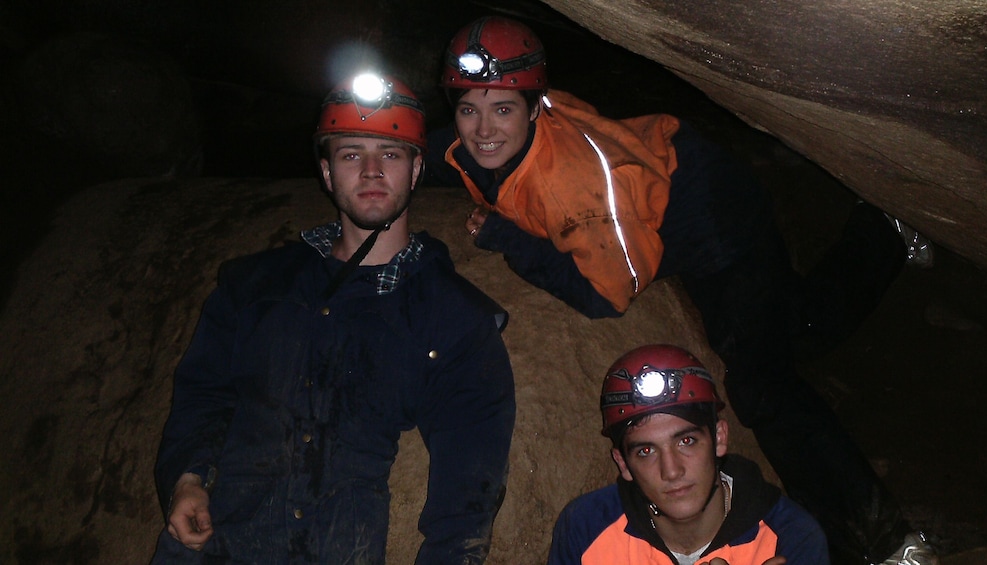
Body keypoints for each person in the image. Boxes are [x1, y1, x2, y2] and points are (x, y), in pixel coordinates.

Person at [427, 15, 938, 565]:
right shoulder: (485, 140)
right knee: (798, 326)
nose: (482, 130)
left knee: (762, 377)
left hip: (712, 218)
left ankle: (883, 542)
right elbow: (422, 148)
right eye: (468, 109)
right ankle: (883, 233)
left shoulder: (574, 188)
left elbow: (607, 296)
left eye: (502, 109)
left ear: (536, 107)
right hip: (664, 184)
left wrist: (512, 240)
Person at [151, 71, 516, 564]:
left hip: (336, 546)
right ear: (326, 174)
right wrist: (187, 480)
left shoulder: (453, 318)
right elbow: (204, 389)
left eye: (390, 154)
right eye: (350, 155)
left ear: (415, 171)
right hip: (210, 545)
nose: (370, 171)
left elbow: (471, 473)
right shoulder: (254, 286)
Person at [548, 343, 828, 565]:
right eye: (646, 451)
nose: (671, 471)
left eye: (687, 441)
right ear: (623, 464)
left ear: (719, 438)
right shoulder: (586, 528)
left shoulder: (791, 540)